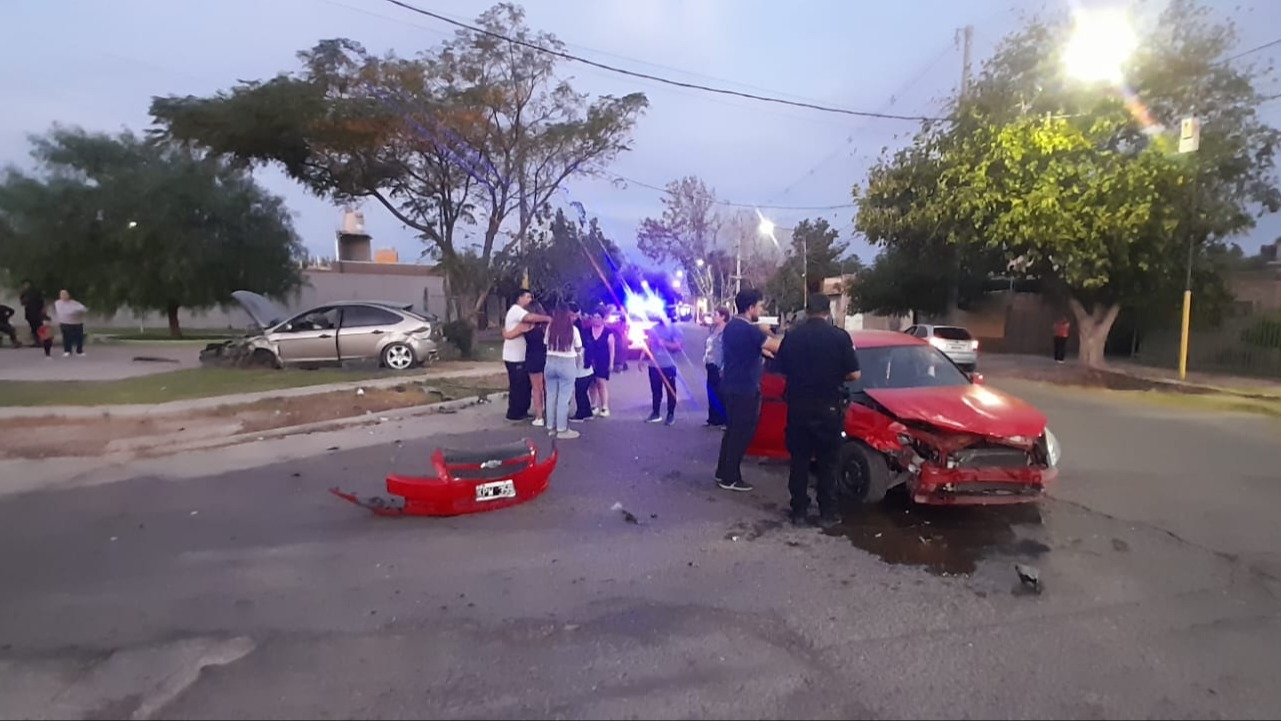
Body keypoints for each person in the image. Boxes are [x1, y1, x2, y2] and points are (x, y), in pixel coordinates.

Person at [774, 294, 862, 529]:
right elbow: (855, 374)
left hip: (798, 407)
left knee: (799, 461)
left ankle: (799, 512)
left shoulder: (792, 337)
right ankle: (828, 513)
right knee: (828, 462)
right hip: (829, 408)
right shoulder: (840, 337)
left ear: (807, 311)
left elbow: (780, 369)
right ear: (828, 311)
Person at [715, 289, 782, 492]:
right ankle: (730, 477)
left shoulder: (732, 326)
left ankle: (723, 472)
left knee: (732, 432)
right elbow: (777, 346)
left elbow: (752, 350)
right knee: (741, 433)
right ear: (750, 308)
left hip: (731, 385)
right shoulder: (748, 330)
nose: (761, 311)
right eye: (759, 307)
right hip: (744, 389)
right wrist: (768, 332)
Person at [501, 290, 551, 422]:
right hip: (516, 356)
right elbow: (529, 318)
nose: (530, 299)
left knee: (529, 386)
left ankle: (528, 412)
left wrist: (506, 334)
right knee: (520, 386)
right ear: (520, 298)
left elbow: (509, 334)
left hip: (528, 357)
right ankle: (516, 412)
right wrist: (548, 318)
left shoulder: (529, 325)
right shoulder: (517, 311)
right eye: (528, 296)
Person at [542, 301, 583, 440]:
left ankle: (551, 427)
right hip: (567, 363)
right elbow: (578, 347)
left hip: (550, 362)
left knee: (551, 396)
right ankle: (562, 429)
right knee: (564, 398)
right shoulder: (573, 330)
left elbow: (546, 343)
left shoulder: (550, 328)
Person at [644, 316, 683, 426]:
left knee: (670, 390)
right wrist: (642, 358)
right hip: (654, 365)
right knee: (656, 391)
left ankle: (670, 414)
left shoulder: (674, 328)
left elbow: (679, 346)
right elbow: (648, 344)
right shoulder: (654, 328)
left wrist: (665, 344)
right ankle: (655, 413)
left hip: (668, 365)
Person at [583, 308, 616, 417]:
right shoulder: (587, 331)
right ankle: (594, 405)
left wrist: (611, 363)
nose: (596, 320)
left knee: (601, 383)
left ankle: (604, 406)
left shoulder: (608, 332)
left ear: (602, 319)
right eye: (594, 317)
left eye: (598, 317)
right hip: (589, 360)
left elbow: (611, 349)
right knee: (591, 384)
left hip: (603, 361)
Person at [703, 307, 731, 427]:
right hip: (710, 364)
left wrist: (724, 367)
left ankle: (724, 419)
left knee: (721, 393)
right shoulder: (713, 329)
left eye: (716, 315)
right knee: (711, 391)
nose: (713, 317)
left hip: (719, 365)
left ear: (723, 317)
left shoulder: (727, 332)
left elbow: (727, 350)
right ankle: (713, 419)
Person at [570, 304, 596, 423]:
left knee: (580, 393)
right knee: (582, 392)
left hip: (580, 371)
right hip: (587, 370)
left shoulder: (579, 344)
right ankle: (587, 413)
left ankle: (581, 414)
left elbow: (577, 357)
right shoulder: (586, 337)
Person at [524, 301, 548, 428]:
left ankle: (539, 417)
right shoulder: (546, 327)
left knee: (536, 389)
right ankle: (550, 414)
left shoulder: (527, 326)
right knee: (548, 388)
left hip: (533, 357)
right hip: (546, 356)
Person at [54, 290, 88, 357]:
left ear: (68, 295)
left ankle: (79, 351)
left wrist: (75, 311)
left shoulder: (74, 303)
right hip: (64, 322)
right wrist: (75, 311)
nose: (64, 296)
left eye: (65, 294)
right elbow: (64, 312)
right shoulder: (58, 303)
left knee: (79, 337)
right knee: (66, 337)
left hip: (77, 322)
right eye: (62, 295)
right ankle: (67, 350)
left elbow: (84, 309)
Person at [18, 280, 44, 346]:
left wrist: (42, 310)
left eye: (27, 284)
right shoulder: (24, 293)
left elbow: (41, 301)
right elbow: (22, 303)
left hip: (37, 312)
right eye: (25, 285)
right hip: (29, 312)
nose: (26, 286)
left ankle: (43, 340)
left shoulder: (36, 292)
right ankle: (37, 341)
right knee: (33, 328)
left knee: (39, 326)